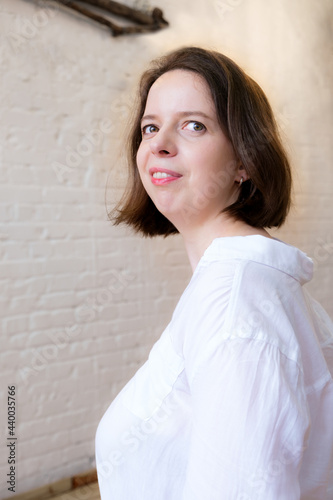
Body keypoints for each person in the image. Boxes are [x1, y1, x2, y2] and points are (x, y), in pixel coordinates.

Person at [95, 46, 333, 499]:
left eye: (193, 125)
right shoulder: (243, 283)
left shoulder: (235, 303)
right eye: (150, 127)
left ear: (245, 161)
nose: (159, 143)